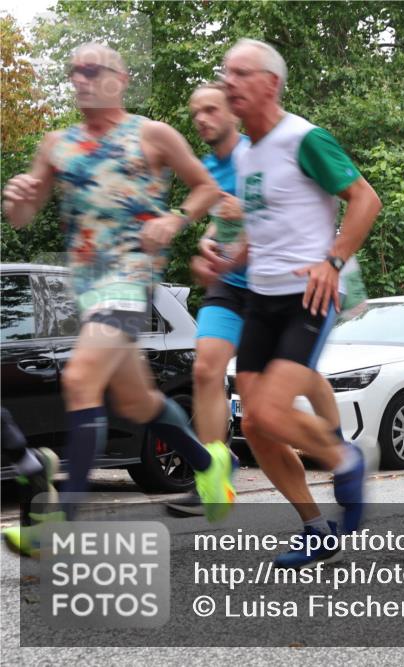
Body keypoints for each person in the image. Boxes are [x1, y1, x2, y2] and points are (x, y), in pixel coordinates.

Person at [1, 43, 233, 557]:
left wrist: (175, 219)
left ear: (120, 78)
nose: (80, 79)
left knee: (80, 378)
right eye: (74, 71)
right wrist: (18, 199)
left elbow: (206, 187)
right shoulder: (56, 144)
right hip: (85, 291)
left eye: (91, 70)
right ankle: (209, 462)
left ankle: (58, 523)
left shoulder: (152, 134)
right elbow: (23, 215)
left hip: (130, 281)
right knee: (137, 402)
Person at [221, 39, 382, 567]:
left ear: (270, 83)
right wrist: (230, 257)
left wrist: (333, 261)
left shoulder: (305, 139)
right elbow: (265, 222)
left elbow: (366, 199)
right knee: (253, 424)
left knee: (270, 409)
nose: (228, 83)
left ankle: (344, 458)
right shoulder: (245, 153)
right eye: (225, 74)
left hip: (308, 296)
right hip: (261, 299)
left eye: (240, 73)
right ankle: (316, 528)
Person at [167, 82, 341, 516]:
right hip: (231, 282)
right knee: (205, 367)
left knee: (302, 377)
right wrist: (209, 241)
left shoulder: (259, 154)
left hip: (275, 283)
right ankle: (215, 469)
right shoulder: (208, 167)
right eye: (195, 112)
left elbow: (283, 212)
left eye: (211, 109)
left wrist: (242, 220)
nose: (201, 119)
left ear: (233, 112)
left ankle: (336, 446)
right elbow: (220, 217)